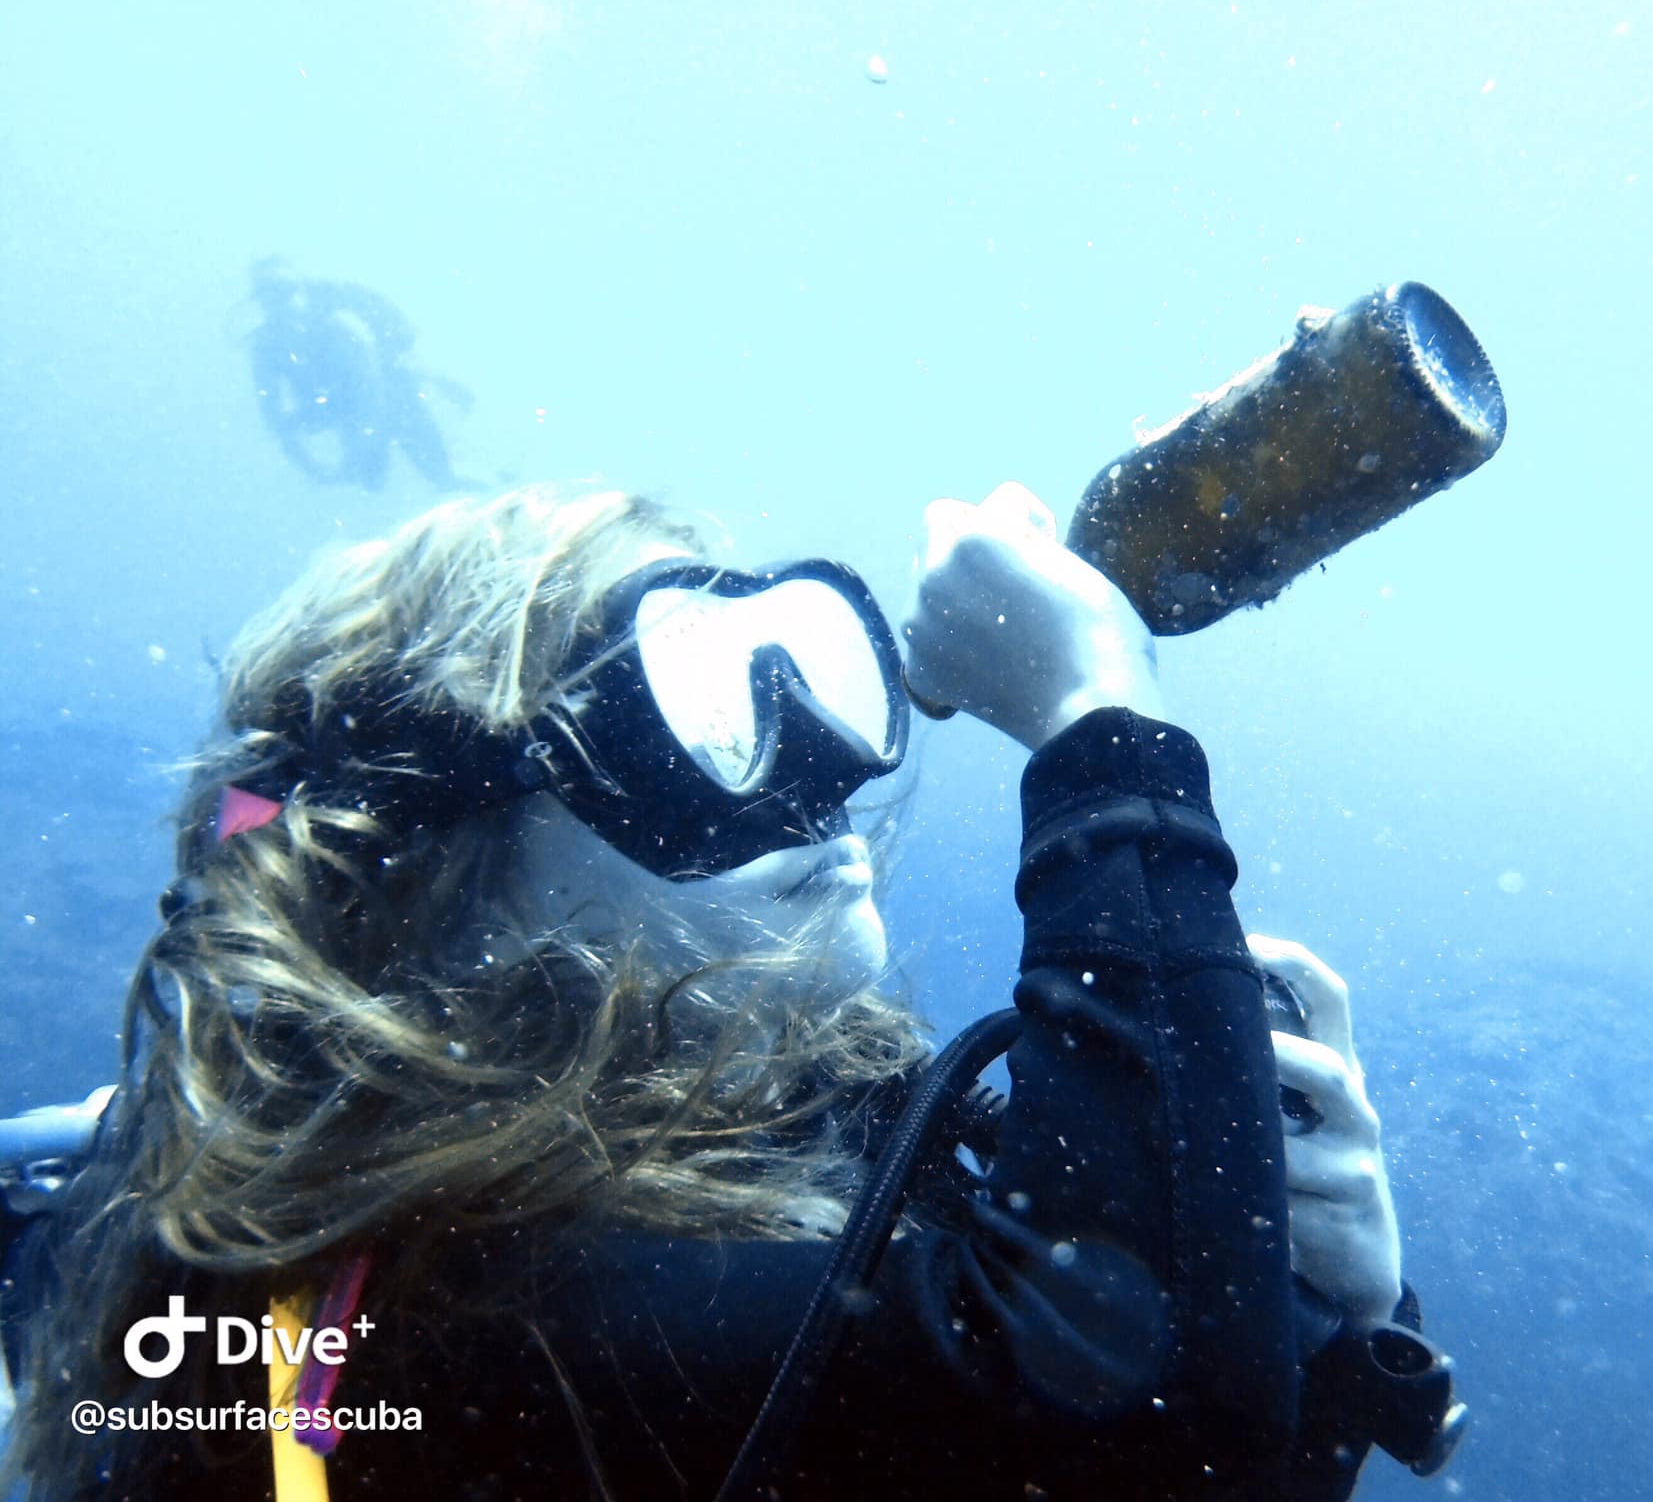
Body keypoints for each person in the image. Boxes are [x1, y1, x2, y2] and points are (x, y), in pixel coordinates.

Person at [0, 483, 1458, 1500]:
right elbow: (1129, 1441)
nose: (817, 773)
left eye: (797, 667)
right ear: (441, 867)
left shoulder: (743, 1144)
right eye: (695, 713)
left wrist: (1316, 1320)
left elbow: (1160, 1440)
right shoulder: (503, 1313)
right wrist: (1099, 720)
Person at [246, 260, 476, 492]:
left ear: (301, 285)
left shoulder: (341, 321)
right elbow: (275, 417)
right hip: (351, 412)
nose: (282, 302)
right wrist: (312, 467)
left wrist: (440, 380)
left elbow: (398, 356)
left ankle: (486, 482)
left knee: (443, 474)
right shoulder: (267, 346)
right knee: (371, 483)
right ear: (261, 303)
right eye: (270, 296)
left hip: (394, 400)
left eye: (285, 289)